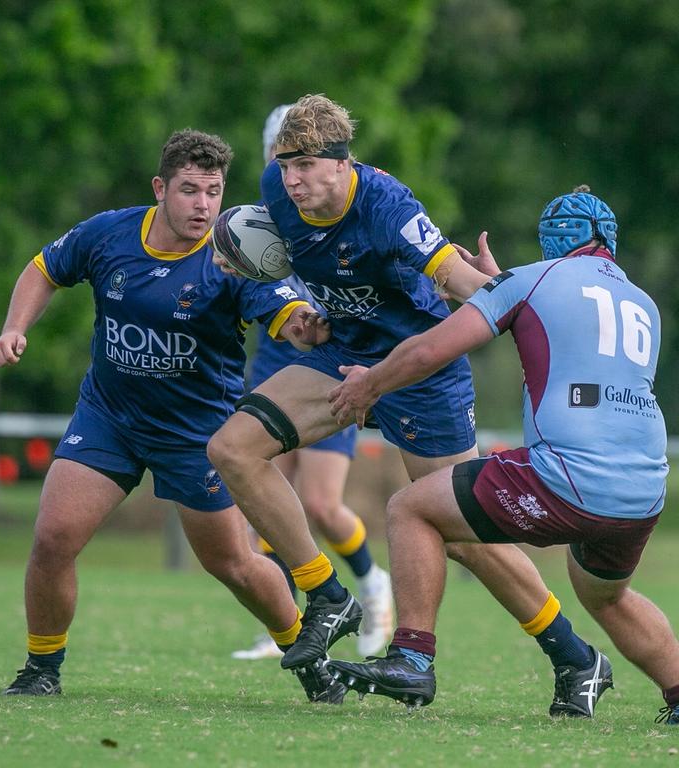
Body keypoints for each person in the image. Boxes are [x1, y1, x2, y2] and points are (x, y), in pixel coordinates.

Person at [208, 96, 585, 700]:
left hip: (420, 373)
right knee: (233, 448)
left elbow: (460, 282)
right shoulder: (276, 192)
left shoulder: (388, 206)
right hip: (339, 359)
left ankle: (575, 655)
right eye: (284, 166)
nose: (292, 180)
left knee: (464, 537)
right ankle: (328, 594)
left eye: (305, 166)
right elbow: (273, 258)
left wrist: (501, 289)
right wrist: (268, 289)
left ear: (341, 163)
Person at [0, 128, 343, 703]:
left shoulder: (234, 258)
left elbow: (290, 316)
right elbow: (43, 269)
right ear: (160, 188)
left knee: (233, 565)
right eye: (188, 190)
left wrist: (308, 324)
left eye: (213, 191)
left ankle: (306, 651)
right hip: (109, 418)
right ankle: (42, 667)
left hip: (198, 437)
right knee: (53, 537)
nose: (203, 205)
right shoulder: (109, 234)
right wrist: (14, 328)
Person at [327, 186, 679, 724]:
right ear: (606, 240)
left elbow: (430, 349)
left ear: (546, 240)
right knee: (608, 597)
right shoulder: (643, 304)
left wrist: (370, 384)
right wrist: (496, 286)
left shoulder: (531, 279)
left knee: (411, 508)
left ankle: (412, 658)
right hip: (643, 488)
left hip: (568, 475)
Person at [231, 105, 392, 662]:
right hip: (275, 357)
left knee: (322, 504)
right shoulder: (265, 209)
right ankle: (291, 618)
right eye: (282, 154)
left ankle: (373, 587)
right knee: (268, 493)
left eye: (302, 157)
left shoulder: (342, 208)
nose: (291, 170)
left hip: (329, 361)